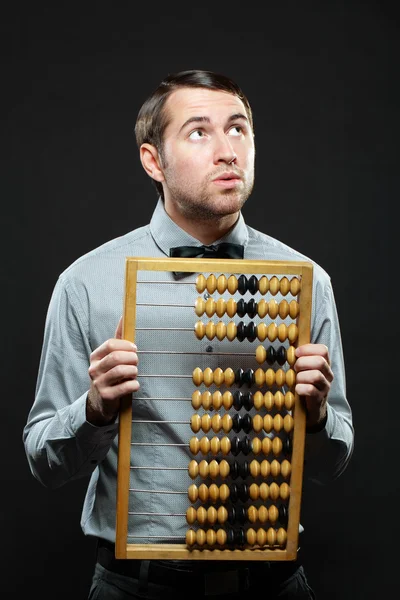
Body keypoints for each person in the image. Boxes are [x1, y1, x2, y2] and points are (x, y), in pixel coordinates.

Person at [23, 69, 354, 599]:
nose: (227, 151)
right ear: (154, 160)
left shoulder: (307, 281)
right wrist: (94, 408)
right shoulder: (86, 283)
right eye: (199, 132)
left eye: (238, 128)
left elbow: (333, 463)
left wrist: (315, 417)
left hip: (272, 585)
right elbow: (43, 459)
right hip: (134, 587)